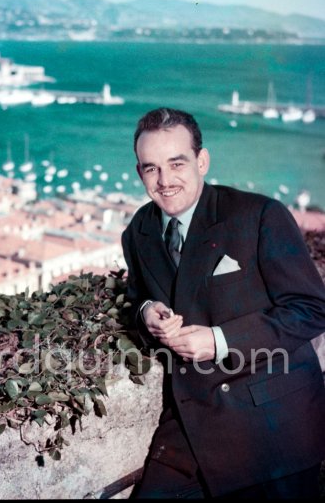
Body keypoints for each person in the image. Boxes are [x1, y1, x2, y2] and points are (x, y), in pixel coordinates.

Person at [121, 107, 325, 498]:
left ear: (202, 161)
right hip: (189, 424)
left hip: (273, 426)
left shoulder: (259, 215)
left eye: (176, 163)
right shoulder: (139, 231)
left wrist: (218, 340)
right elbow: (135, 299)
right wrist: (147, 313)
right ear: (140, 173)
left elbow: (311, 309)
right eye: (151, 168)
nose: (164, 181)